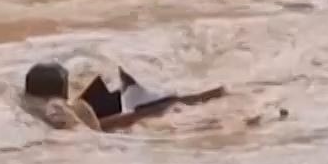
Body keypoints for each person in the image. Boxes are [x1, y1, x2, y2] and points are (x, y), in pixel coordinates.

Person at [20, 60, 230, 132]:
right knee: (157, 108)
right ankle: (209, 95)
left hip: (97, 119)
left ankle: (205, 96)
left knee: (154, 106)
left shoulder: (26, 103)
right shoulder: (61, 107)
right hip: (100, 123)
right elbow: (92, 136)